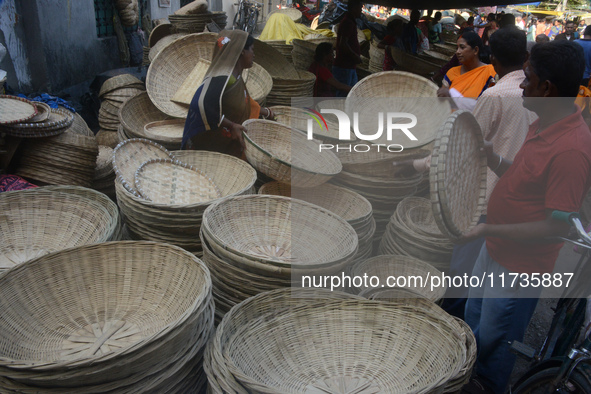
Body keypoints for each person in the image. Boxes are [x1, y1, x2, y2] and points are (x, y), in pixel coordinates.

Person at [461, 40, 591, 393]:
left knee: (497, 341)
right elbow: (523, 180)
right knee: (475, 326)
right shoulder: (542, 122)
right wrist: (493, 159)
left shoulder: (572, 150)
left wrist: (488, 226)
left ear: (547, 89)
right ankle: (468, 380)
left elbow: (555, 225)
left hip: (518, 267)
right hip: (495, 246)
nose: (521, 83)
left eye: (528, 78)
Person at [441, 26, 536, 320]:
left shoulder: (495, 95)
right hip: (516, 195)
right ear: (524, 56)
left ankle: (452, 328)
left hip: (485, 195)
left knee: (463, 271)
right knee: (485, 278)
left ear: (491, 55)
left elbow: (469, 148)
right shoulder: (535, 89)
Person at [182, 31, 275, 157]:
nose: (254, 54)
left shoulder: (235, 76)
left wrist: (266, 112)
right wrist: (231, 125)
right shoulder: (221, 79)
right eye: (252, 49)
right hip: (211, 149)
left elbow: (244, 100)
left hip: (225, 146)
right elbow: (200, 105)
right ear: (242, 51)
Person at [437, 31, 496, 108]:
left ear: (475, 50)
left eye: (462, 47)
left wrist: (451, 96)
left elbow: (489, 106)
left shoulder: (490, 72)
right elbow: (442, 103)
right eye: (457, 48)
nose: (457, 52)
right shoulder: (452, 72)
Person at [332, 0, 362, 96]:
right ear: (354, 8)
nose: (361, 11)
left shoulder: (350, 22)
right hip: (344, 66)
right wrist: (355, 56)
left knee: (351, 93)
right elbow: (343, 43)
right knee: (342, 94)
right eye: (360, 8)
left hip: (349, 66)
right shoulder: (347, 22)